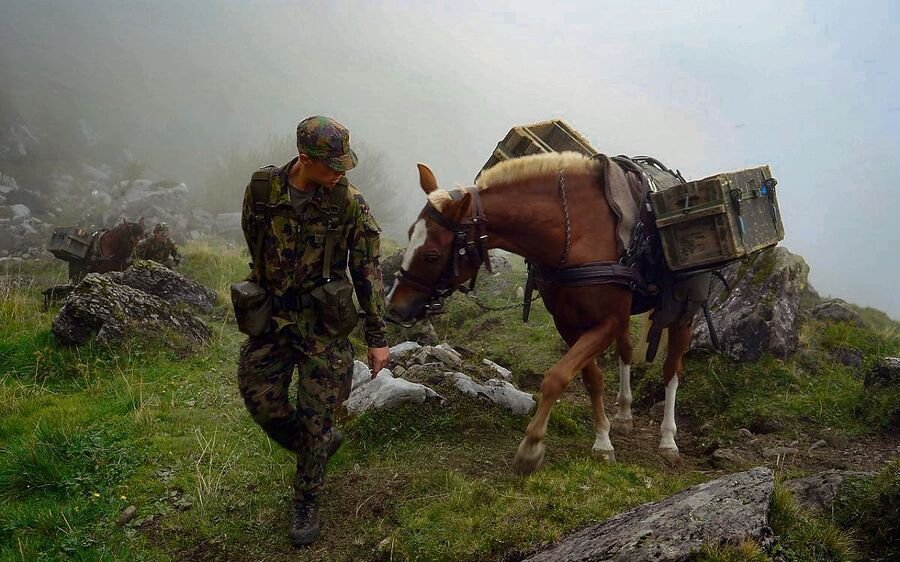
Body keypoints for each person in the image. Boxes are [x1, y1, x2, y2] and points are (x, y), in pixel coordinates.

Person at [237, 116, 390, 546]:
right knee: (261, 400)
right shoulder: (264, 189)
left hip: (324, 327)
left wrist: (377, 338)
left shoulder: (349, 204)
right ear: (304, 159)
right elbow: (254, 239)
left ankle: (307, 497)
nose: (341, 173)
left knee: (318, 416)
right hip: (272, 321)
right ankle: (316, 446)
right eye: (332, 165)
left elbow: (367, 271)